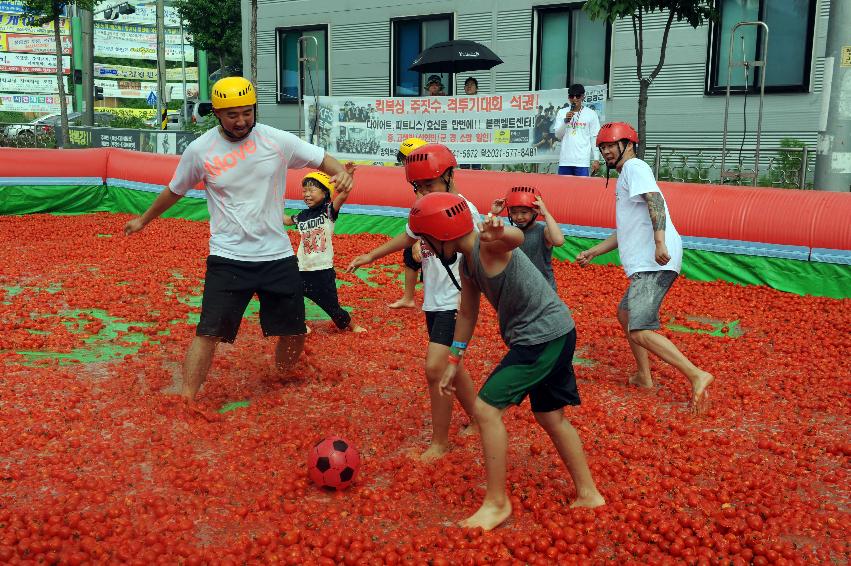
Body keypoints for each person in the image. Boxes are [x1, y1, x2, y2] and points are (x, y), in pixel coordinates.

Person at [123, 76, 353, 402]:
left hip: (276, 255)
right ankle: (186, 399)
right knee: (208, 333)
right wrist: (143, 219)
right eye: (232, 115)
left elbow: (321, 157)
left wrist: (339, 171)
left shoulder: (276, 140)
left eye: (247, 112)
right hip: (228, 257)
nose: (241, 121)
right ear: (217, 113)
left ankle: (280, 379)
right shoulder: (200, 151)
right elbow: (175, 190)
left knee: (294, 331)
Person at [408, 192, 604, 531]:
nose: (422, 247)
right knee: (550, 416)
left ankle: (497, 503)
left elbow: (512, 239)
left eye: (425, 240)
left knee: (485, 410)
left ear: (441, 236)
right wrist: (454, 359)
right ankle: (589, 493)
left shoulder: (489, 245)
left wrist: (501, 230)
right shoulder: (469, 262)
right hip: (553, 332)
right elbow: (467, 313)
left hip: (543, 336)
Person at [347, 144, 479, 461]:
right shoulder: (424, 207)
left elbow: (482, 255)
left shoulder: (466, 211)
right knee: (451, 366)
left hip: (455, 302)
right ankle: (480, 417)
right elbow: (408, 237)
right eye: (418, 187)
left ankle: (439, 442)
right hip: (433, 302)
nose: (423, 193)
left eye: (429, 185)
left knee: (436, 367)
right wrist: (371, 255)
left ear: (449, 176)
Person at [577, 122, 714, 414]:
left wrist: (659, 242)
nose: (606, 151)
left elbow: (656, 202)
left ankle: (696, 374)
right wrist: (594, 251)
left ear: (629, 145)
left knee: (639, 329)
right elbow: (625, 230)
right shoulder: (627, 176)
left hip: (654, 261)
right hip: (648, 261)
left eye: (611, 145)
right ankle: (644, 375)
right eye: (602, 147)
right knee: (625, 313)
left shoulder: (635, 167)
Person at [284, 171, 365, 333]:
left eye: (311, 190)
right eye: (304, 191)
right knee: (291, 295)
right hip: (301, 268)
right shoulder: (302, 215)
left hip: (322, 271)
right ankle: (300, 324)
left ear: (325, 192)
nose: (307, 194)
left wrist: (347, 175)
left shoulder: (328, 211)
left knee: (332, 306)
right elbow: (286, 220)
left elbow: (343, 196)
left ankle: (352, 325)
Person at [490, 186, 565, 290]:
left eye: (524, 212)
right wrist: (493, 214)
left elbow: (559, 241)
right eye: (514, 212)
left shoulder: (543, 231)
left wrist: (546, 214)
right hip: (519, 291)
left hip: (544, 292)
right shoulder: (511, 233)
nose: (519, 217)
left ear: (534, 211)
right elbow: (486, 238)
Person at [389, 137, 428, 309]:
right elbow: (419, 206)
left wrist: (418, 240)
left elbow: (427, 210)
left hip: (438, 226)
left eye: (406, 161)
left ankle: (435, 300)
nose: (405, 166)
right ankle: (409, 298)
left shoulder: (429, 178)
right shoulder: (418, 178)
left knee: (430, 259)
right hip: (424, 224)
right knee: (410, 255)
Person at [553, 84, 601, 177]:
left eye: (578, 96)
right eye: (571, 96)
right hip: (565, 161)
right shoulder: (562, 112)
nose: (574, 99)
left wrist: (596, 159)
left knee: (582, 190)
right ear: (568, 97)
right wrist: (565, 121)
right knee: (563, 190)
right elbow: (558, 135)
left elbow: (594, 137)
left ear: (583, 96)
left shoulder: (591, 114)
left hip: (582, 162)